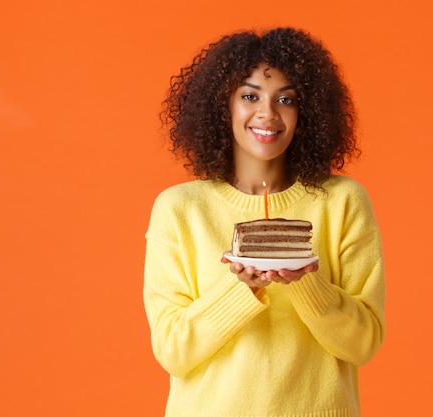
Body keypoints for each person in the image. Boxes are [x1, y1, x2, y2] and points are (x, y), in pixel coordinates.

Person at [143, 27, 385, 417]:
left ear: (306, 111)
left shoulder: (343, 202)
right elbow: (173, 351)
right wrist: (240, 289)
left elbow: (364, 343)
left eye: (285, 99)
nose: (267, 114)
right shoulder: (179, 209)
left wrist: (307, 281)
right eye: (250, 95)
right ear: (224, 105)